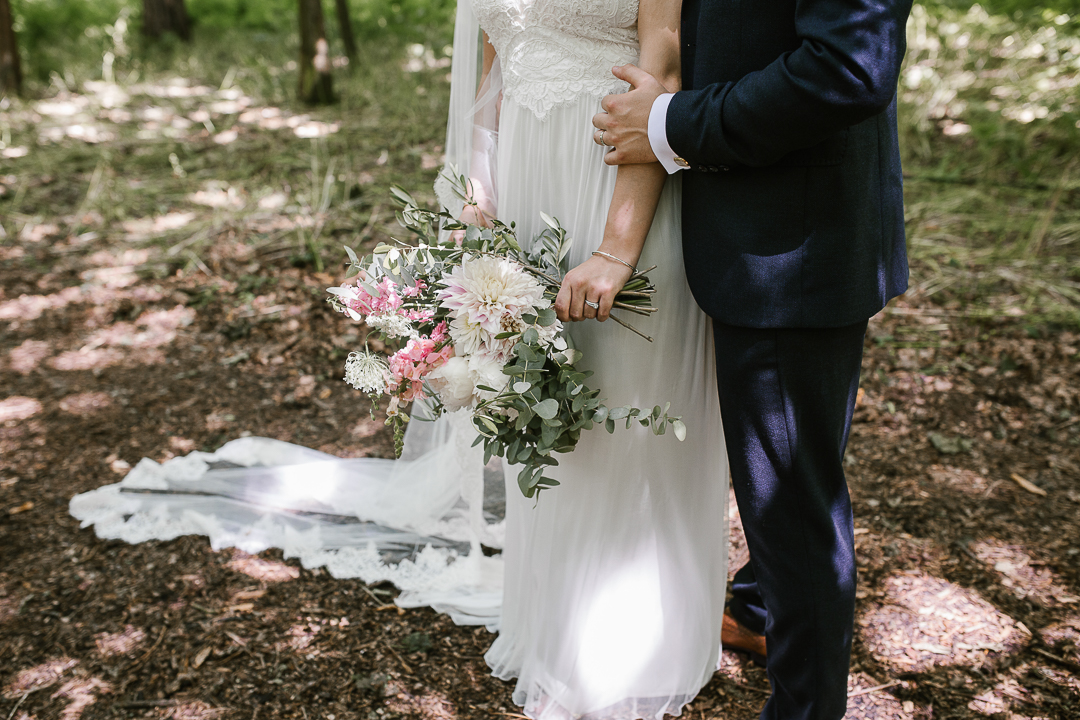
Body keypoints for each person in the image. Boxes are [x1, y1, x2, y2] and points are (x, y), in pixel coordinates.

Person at [71, 1, 730, 719]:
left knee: (624, 406)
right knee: (546, 412)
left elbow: (660, 70)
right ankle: (557, 625)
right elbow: (494, 70)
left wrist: (616, 248)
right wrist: (476, 207)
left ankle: (634, 645)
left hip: (616, 182)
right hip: (531, 177)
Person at [589, 1, 914, 718]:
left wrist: (670, 123)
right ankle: (761, 607)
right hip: (751, 226)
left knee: (791, 507)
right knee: (788, 495)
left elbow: (849, 67)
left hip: (789, 245)